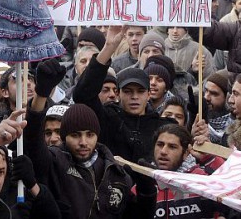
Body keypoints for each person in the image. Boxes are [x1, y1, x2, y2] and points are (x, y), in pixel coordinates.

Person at [24, 69, 157, 219]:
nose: (83, 142)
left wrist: (147, 192)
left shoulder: (117, 174)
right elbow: (33, 138)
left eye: (90, 135)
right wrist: (42, 93)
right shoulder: (53, 163)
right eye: (75, 135)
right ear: (64, 137)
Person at [73, 25, 174, 163]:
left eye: (140, 91)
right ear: (118, 94)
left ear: (149, 94)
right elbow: (83, 94)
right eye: (127, 91)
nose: (134, 97)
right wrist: (109, 48)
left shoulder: (163, 127)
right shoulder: (107, 118)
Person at [143, 124, 227, 219]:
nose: (163, 151)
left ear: (186, 153)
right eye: (160, 144)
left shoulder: (203, 181)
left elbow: (232, 188)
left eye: (172, 147)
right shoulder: (143, 184)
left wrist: (209, 158)